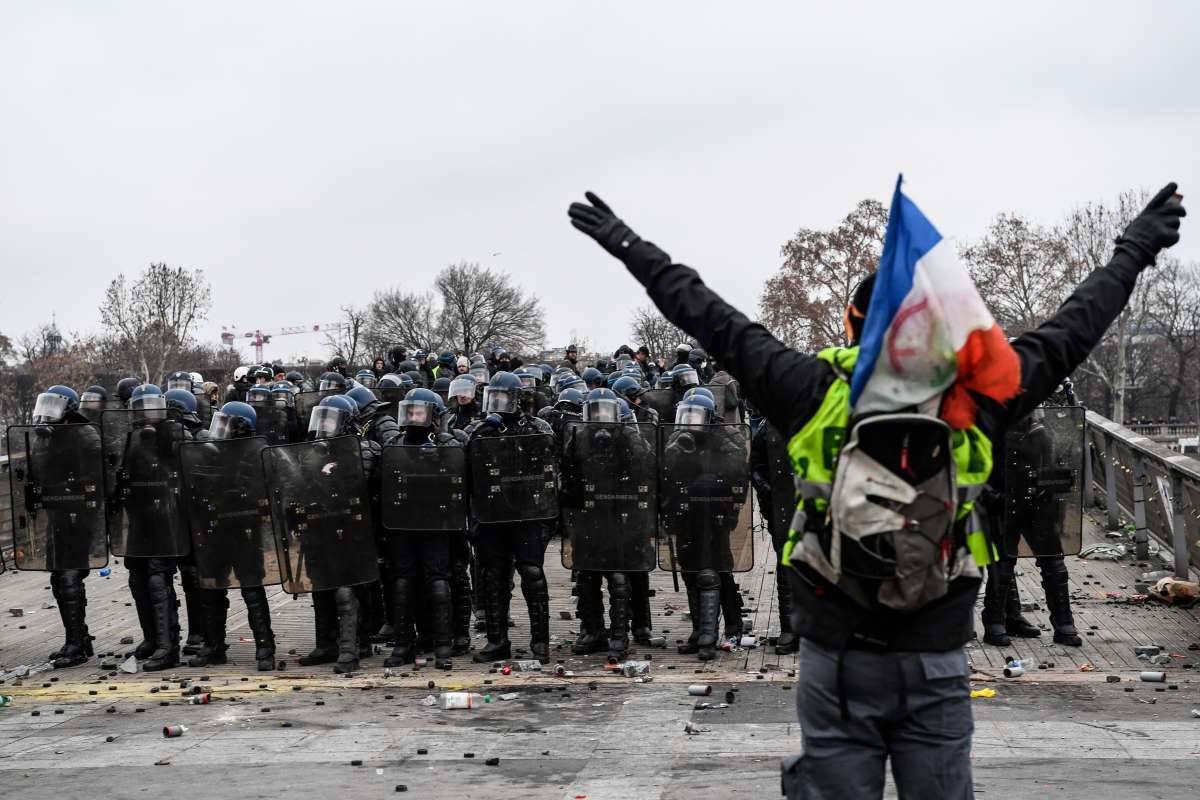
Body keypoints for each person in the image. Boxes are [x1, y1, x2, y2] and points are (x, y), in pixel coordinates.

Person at [567, 184, 1184, 798]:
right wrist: (1135, 247)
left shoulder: (809, 387)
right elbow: (1077, 326)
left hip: (836, 652)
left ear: (852, 324)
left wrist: (625, 243)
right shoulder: (973, 395)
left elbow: (706, 313)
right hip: (937, 651)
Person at [466, 372, 558, 663]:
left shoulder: (537, 427)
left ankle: (540, 642)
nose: (498, 404)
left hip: (528, 513)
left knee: (532, 574)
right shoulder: (478, 429)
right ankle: (497, 641)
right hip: (493, 514)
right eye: (494, 398)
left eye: (503, 398)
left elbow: (549, 465)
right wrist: (483, 432)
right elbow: (466, 465)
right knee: (493, 576)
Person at [379, 389, 469, 669]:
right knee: (403, 582)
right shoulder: (395, 443)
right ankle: (403, 644)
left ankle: (443, 646)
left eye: (420, 412)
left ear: (433, 415)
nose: (414, 417)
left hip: (437, 524)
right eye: (411, 411)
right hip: (404, 523)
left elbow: (460, 475)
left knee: (439, 582)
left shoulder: (447, 443)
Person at [187, 401, 277, 671]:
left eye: (227, 423)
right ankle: (214, 646)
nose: (220, 428)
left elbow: (265, 490)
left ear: (240, 428)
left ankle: (265, 647)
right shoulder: (211, 452)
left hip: (244, 529)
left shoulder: (257, 453)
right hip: (216, 528)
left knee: (251, 588)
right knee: (211, 588)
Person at [26, 385, 102, 668]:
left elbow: (95, 478)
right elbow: (36, 473)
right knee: (58, 578)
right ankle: (79, 637)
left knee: (70, 577)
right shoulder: (43, 437)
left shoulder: (85, 434)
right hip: (56, 513)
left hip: (77, 514)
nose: (46, 414)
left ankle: (76, 646)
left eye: (53, 407)